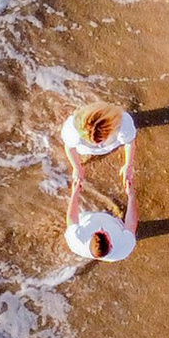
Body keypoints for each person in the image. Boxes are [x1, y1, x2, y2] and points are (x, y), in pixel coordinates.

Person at [61, 100, 139, 262]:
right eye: (105, 233)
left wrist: (75, 191)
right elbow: (131, 224)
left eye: (99, 231)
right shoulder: (122, 250)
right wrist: (131, 195)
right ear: (111, 246)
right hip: (114, 223)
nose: (102, 228)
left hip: (87, 217)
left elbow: (72, 218)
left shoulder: (76, 242)